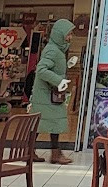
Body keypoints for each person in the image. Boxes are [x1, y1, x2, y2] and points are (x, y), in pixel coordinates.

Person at [30, 18, 75, 164]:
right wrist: (59, 81)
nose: (70, 37)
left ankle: (30, 151)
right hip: (47, 94)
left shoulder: (56, 50)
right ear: (60, 34)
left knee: (43, 122)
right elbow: (41, 69)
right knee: (51, 122)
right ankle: (55, 154)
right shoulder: (53, 50)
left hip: (48, 94)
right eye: (68, 34)